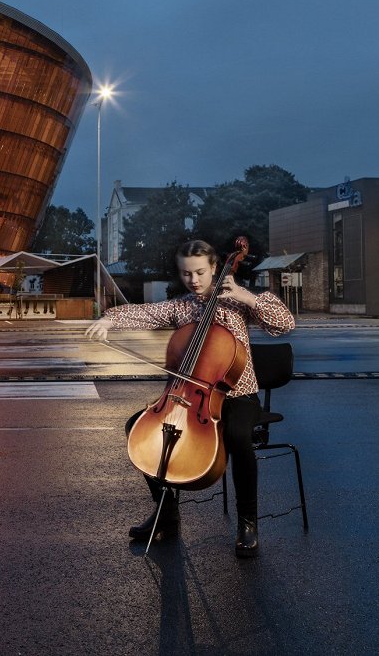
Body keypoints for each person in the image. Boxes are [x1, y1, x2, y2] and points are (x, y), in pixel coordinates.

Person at [85, 239, 295, 557]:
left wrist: (245, 295)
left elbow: (284, 324)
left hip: (238, 395)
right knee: (137, 428)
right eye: (186, 274)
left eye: (199, 272)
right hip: (189, 396)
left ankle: (248, 522)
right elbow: (146, 313)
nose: (193, 281)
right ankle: (167, 513)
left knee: (239, 436)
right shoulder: (182, 307)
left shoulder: (237, 303)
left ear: (214, 268)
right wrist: (110, 319)